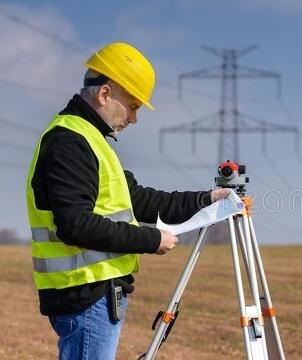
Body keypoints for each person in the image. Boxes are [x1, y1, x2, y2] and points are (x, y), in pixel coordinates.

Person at [25, 42, 230, 360]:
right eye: (133, 105)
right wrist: (151, 239)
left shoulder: (92, 141)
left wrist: (208, 199)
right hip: (85, 294)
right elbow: (74, 225)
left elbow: (142, 200)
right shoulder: (69, 142)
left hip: (96, 293)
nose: (135, 118)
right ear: (105, 94)